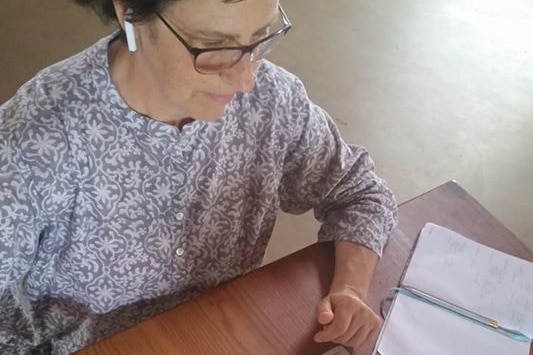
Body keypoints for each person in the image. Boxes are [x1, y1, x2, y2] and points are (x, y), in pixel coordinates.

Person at [0, 0, 398, 353]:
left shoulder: (273, 100)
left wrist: (349, 288)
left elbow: (360, 193)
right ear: (129, 15)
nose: (245, 81)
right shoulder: (35, 142)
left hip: (222, 330)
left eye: (260, 38)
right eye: (214, 47)